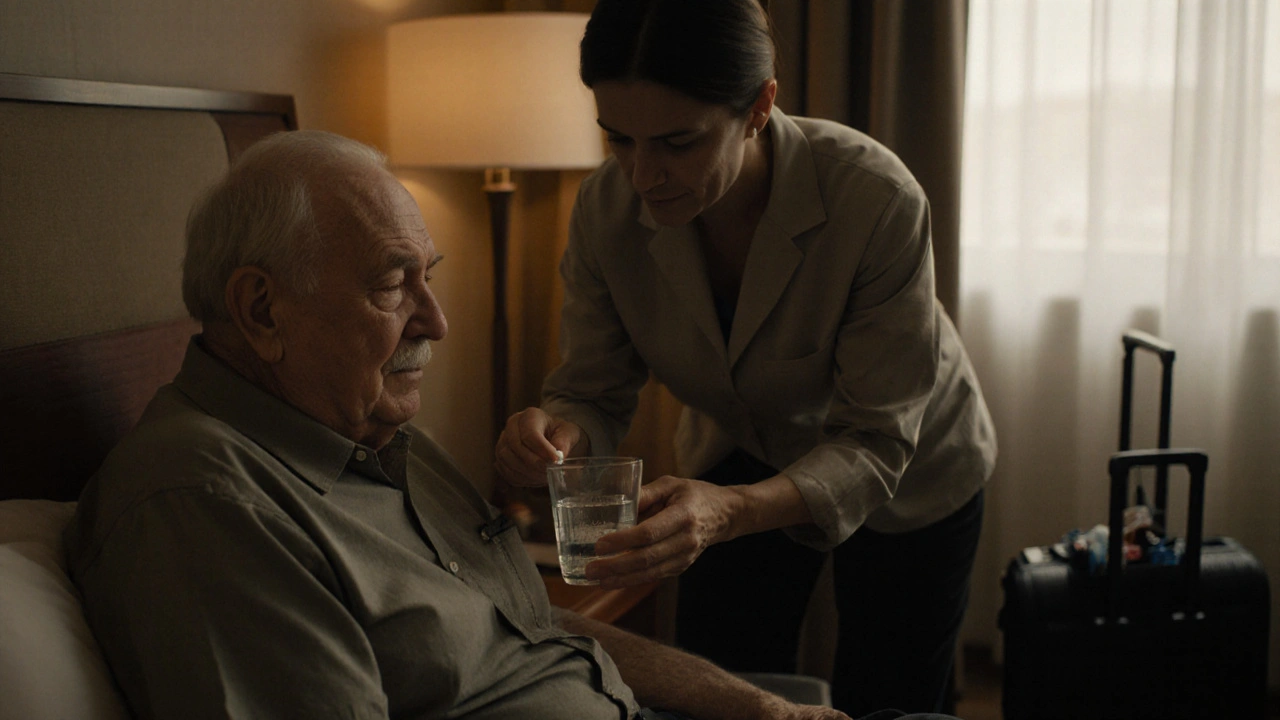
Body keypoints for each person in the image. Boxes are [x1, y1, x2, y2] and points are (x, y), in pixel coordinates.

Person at [64, 129, 884, 720]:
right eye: (394, 284)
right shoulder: (205, 507)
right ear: (260, 309)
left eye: (431, 277)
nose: (438, 322)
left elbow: (532, 630)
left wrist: (759, 710)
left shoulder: (381, 443)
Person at [493, 0, 998, 716]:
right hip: (741, 446)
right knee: (720, 688)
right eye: (619, 140)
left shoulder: (875, 198)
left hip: (909, 465)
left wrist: (726, 513)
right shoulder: (605, 212)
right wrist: (560, 434)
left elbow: (875, 440)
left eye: (677, 141)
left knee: (890, 692)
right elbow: (592, 389)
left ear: (760, 107)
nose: (643, 176)